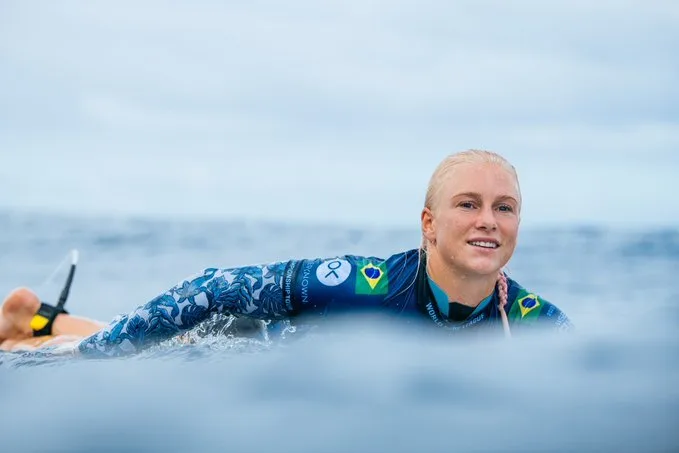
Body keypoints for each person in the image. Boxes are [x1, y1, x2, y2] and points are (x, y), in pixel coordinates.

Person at [0, 150, 573, 357]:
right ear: (428, 223)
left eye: (505, 208)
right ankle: (40, 329)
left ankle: (35, 316)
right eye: (468, 204)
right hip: (255, 353)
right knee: (168, 347)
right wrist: (96, 356)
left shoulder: (534, 323)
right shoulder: (365, 283)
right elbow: (216, 287)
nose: (487, 222)